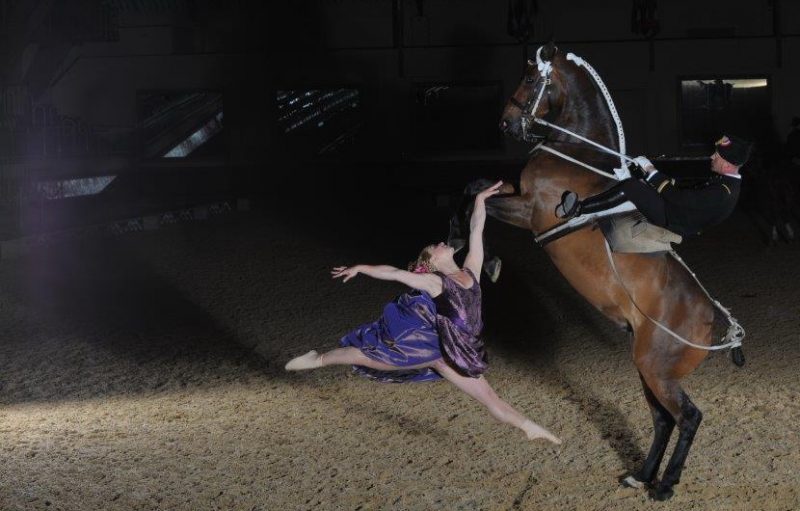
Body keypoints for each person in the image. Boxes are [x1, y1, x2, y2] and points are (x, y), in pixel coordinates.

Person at [285, 181, 561, 444]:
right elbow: (394, 273)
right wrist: (360, 268)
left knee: (491, 398)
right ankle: (318, 359)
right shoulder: (435, 283)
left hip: (456, 353)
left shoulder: (471, 270)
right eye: (435, 247)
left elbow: (476, 230)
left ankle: (529, 428)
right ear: (434, 261)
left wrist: (479, 200)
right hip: (436, 350)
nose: (441, 244)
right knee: (366, 356)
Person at [555, 134, 752, 238]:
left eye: (716, 156)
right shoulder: (725, 183)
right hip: (680, 212)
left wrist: (651, 171)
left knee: (633, 187)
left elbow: (678, 198)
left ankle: (578, 210)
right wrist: (652, 173)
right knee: (642, 182)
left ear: (727, 164)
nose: (711, 157)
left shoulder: (723, 192)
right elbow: (686, 189)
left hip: (674, 219)